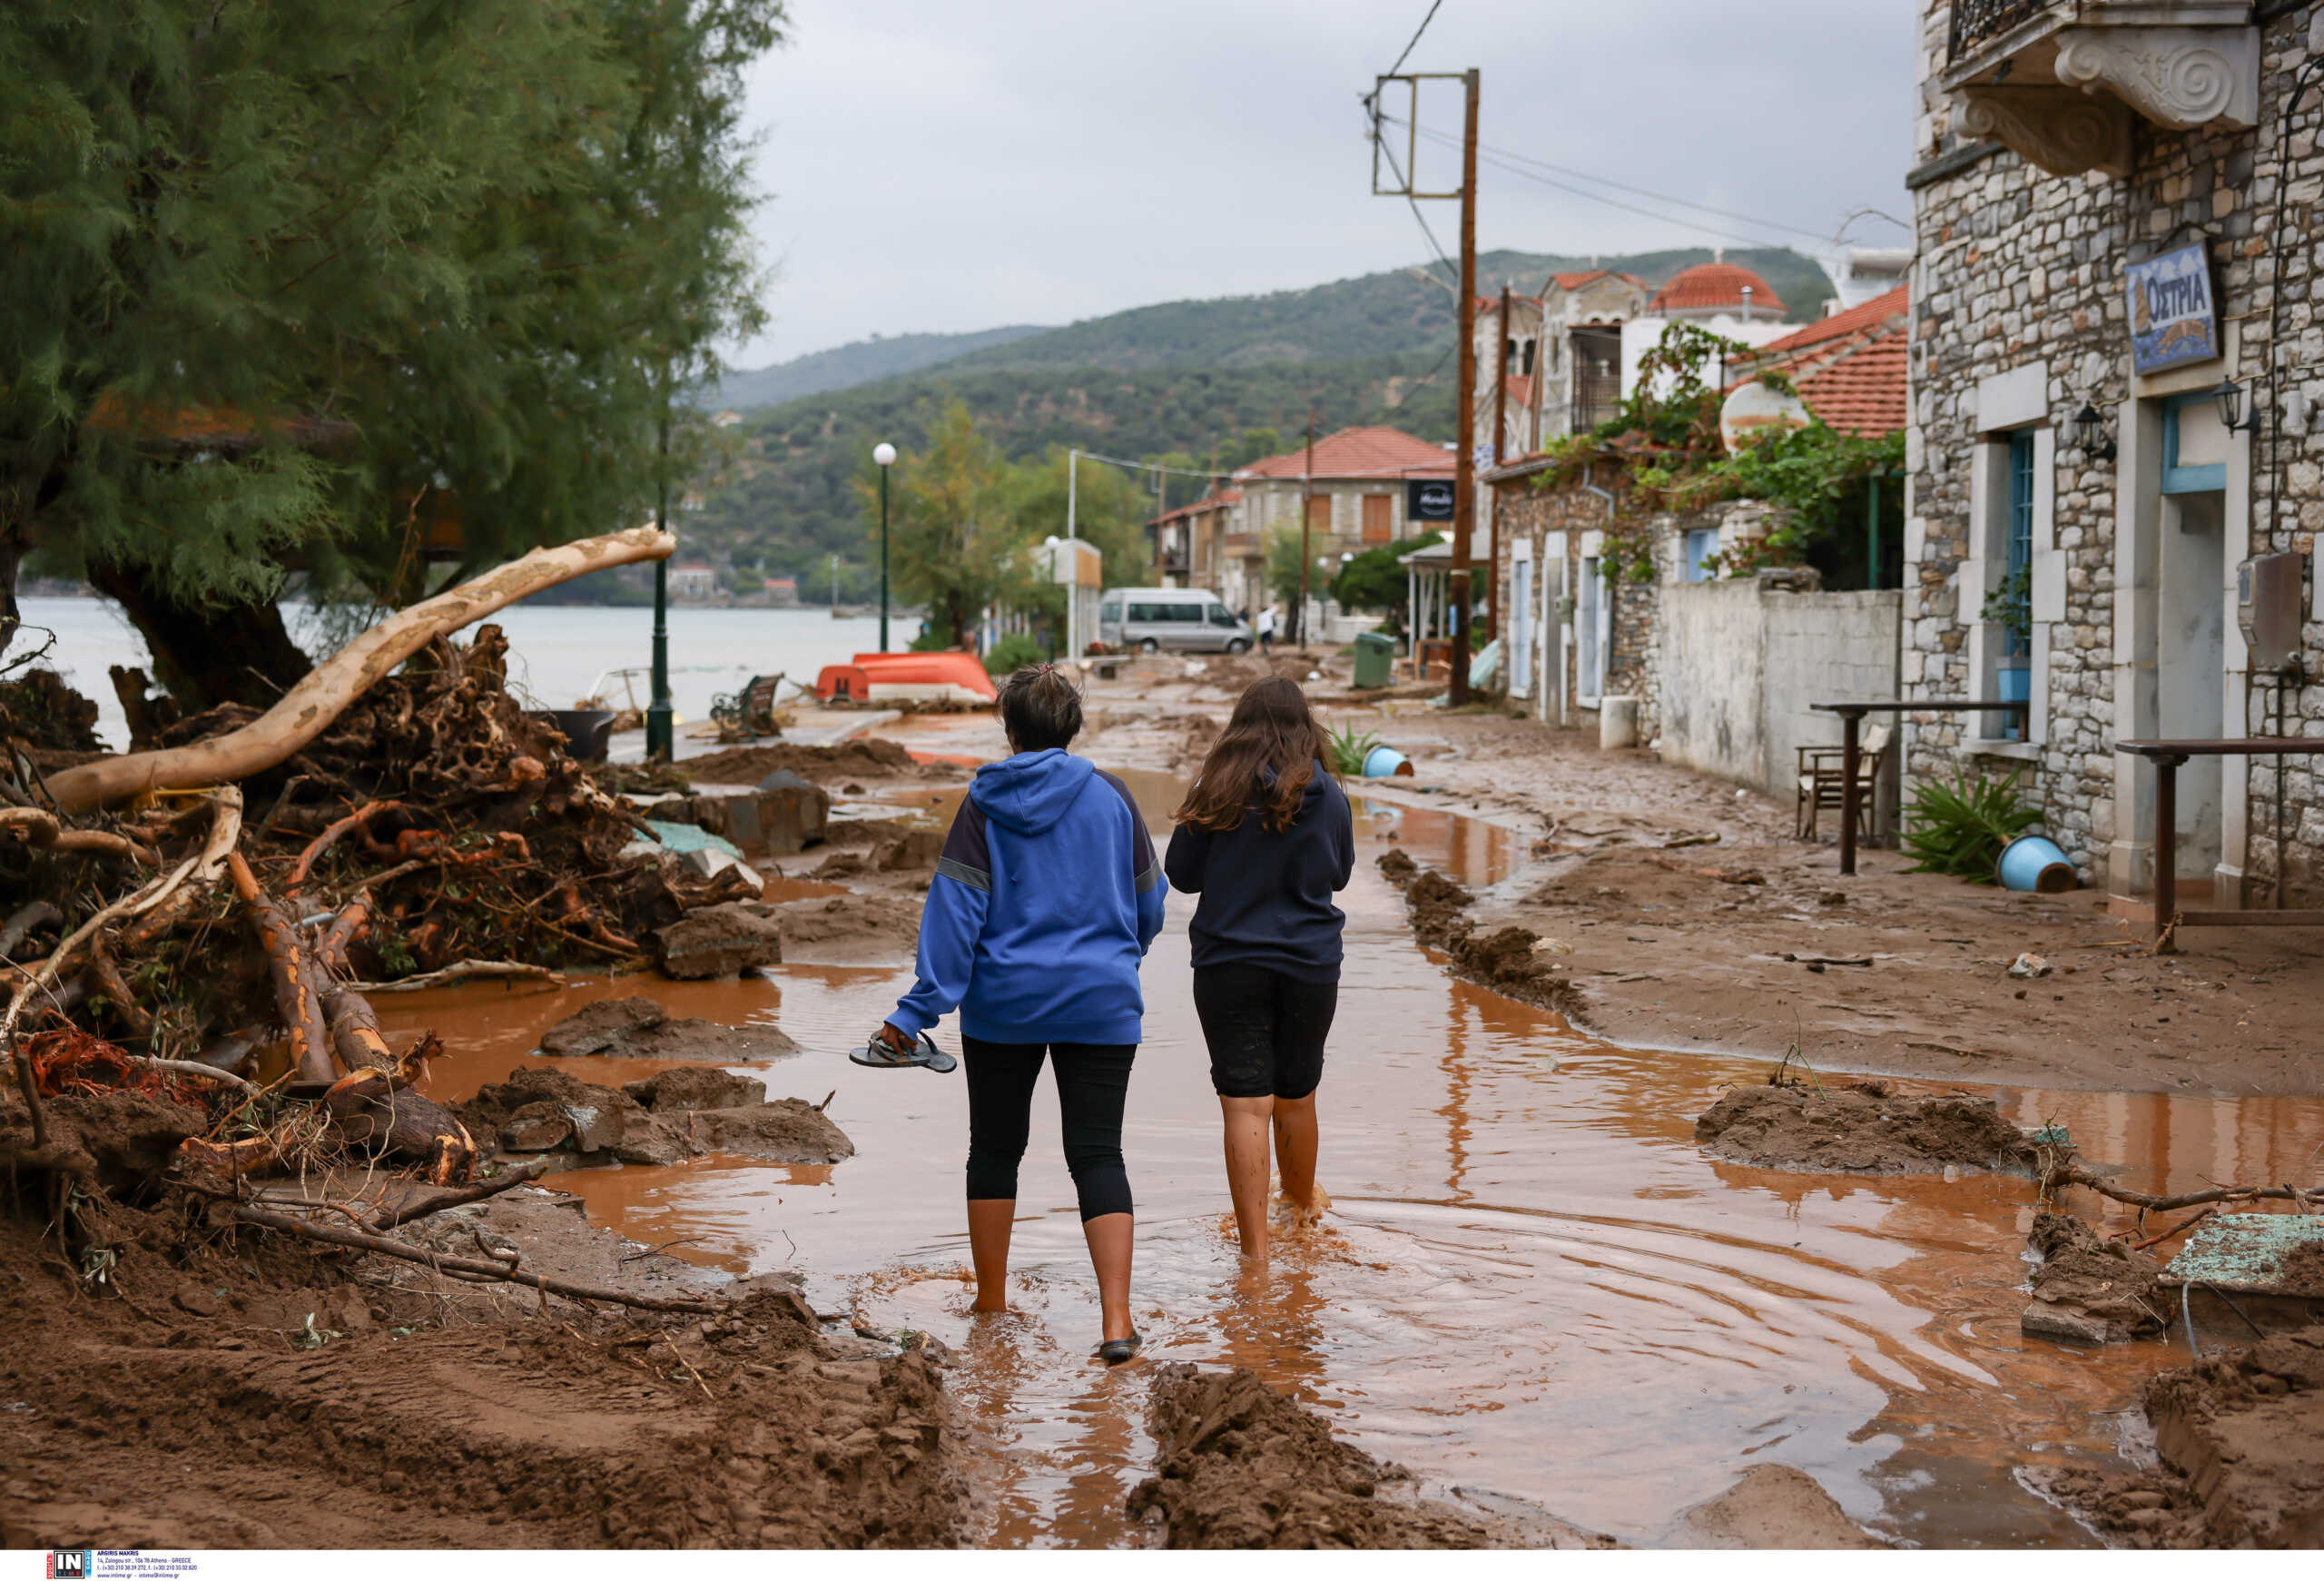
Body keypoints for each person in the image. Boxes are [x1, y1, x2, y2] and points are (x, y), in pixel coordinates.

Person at [876, 665, 1167, 1363]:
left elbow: (955, 917)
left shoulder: (983, 803)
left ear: (1010, 729)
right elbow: (1151, 904)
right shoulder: (1114, 798)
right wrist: (1117, 960)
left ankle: (991, 1301)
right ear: (1072, 726)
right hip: (1102, 1002)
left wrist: (915, 1012)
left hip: (1002, 1005)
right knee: (1098, 1153)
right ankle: (1116, 1321)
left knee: (996, 1149)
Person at [1163, 677, 1353, 1262]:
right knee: (1298, 1096)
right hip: (1309, 964)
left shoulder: (1214, 791)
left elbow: (1181, 873)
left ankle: (1257, 1255)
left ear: (1237, 729)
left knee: (1246, 1104)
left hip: (1228, 962)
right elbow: (1339, 875)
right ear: (1307, 728)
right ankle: (1300, 1220)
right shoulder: (1331, 797)